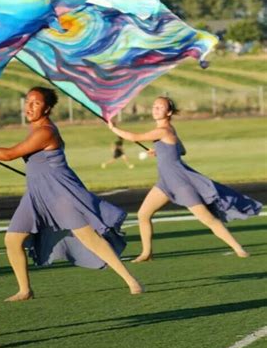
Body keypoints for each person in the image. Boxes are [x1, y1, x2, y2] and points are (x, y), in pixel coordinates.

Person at [0, 86, 143, 301]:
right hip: (37, 194)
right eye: (27, 102)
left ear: (47, 108)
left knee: (89, 237)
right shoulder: (36, 129)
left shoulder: (46, 131)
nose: (29, 107)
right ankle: (25, 290)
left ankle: (131, 280)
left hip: (60, 191)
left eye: (36, 103)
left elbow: (9, 154)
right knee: (12, 239)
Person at [107, 96, 262, 262]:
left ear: (169, 112)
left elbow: (133, 137)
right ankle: (147, 253)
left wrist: (113, 128)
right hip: (165, 183)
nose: (155, 109)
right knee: (143, 214)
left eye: (160, 107)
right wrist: (160, 150)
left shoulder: (164, 130)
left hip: (180, 183)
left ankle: (238, 249)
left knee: (208, 219)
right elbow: (182, 150)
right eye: (154, 106)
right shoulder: (168, 131)